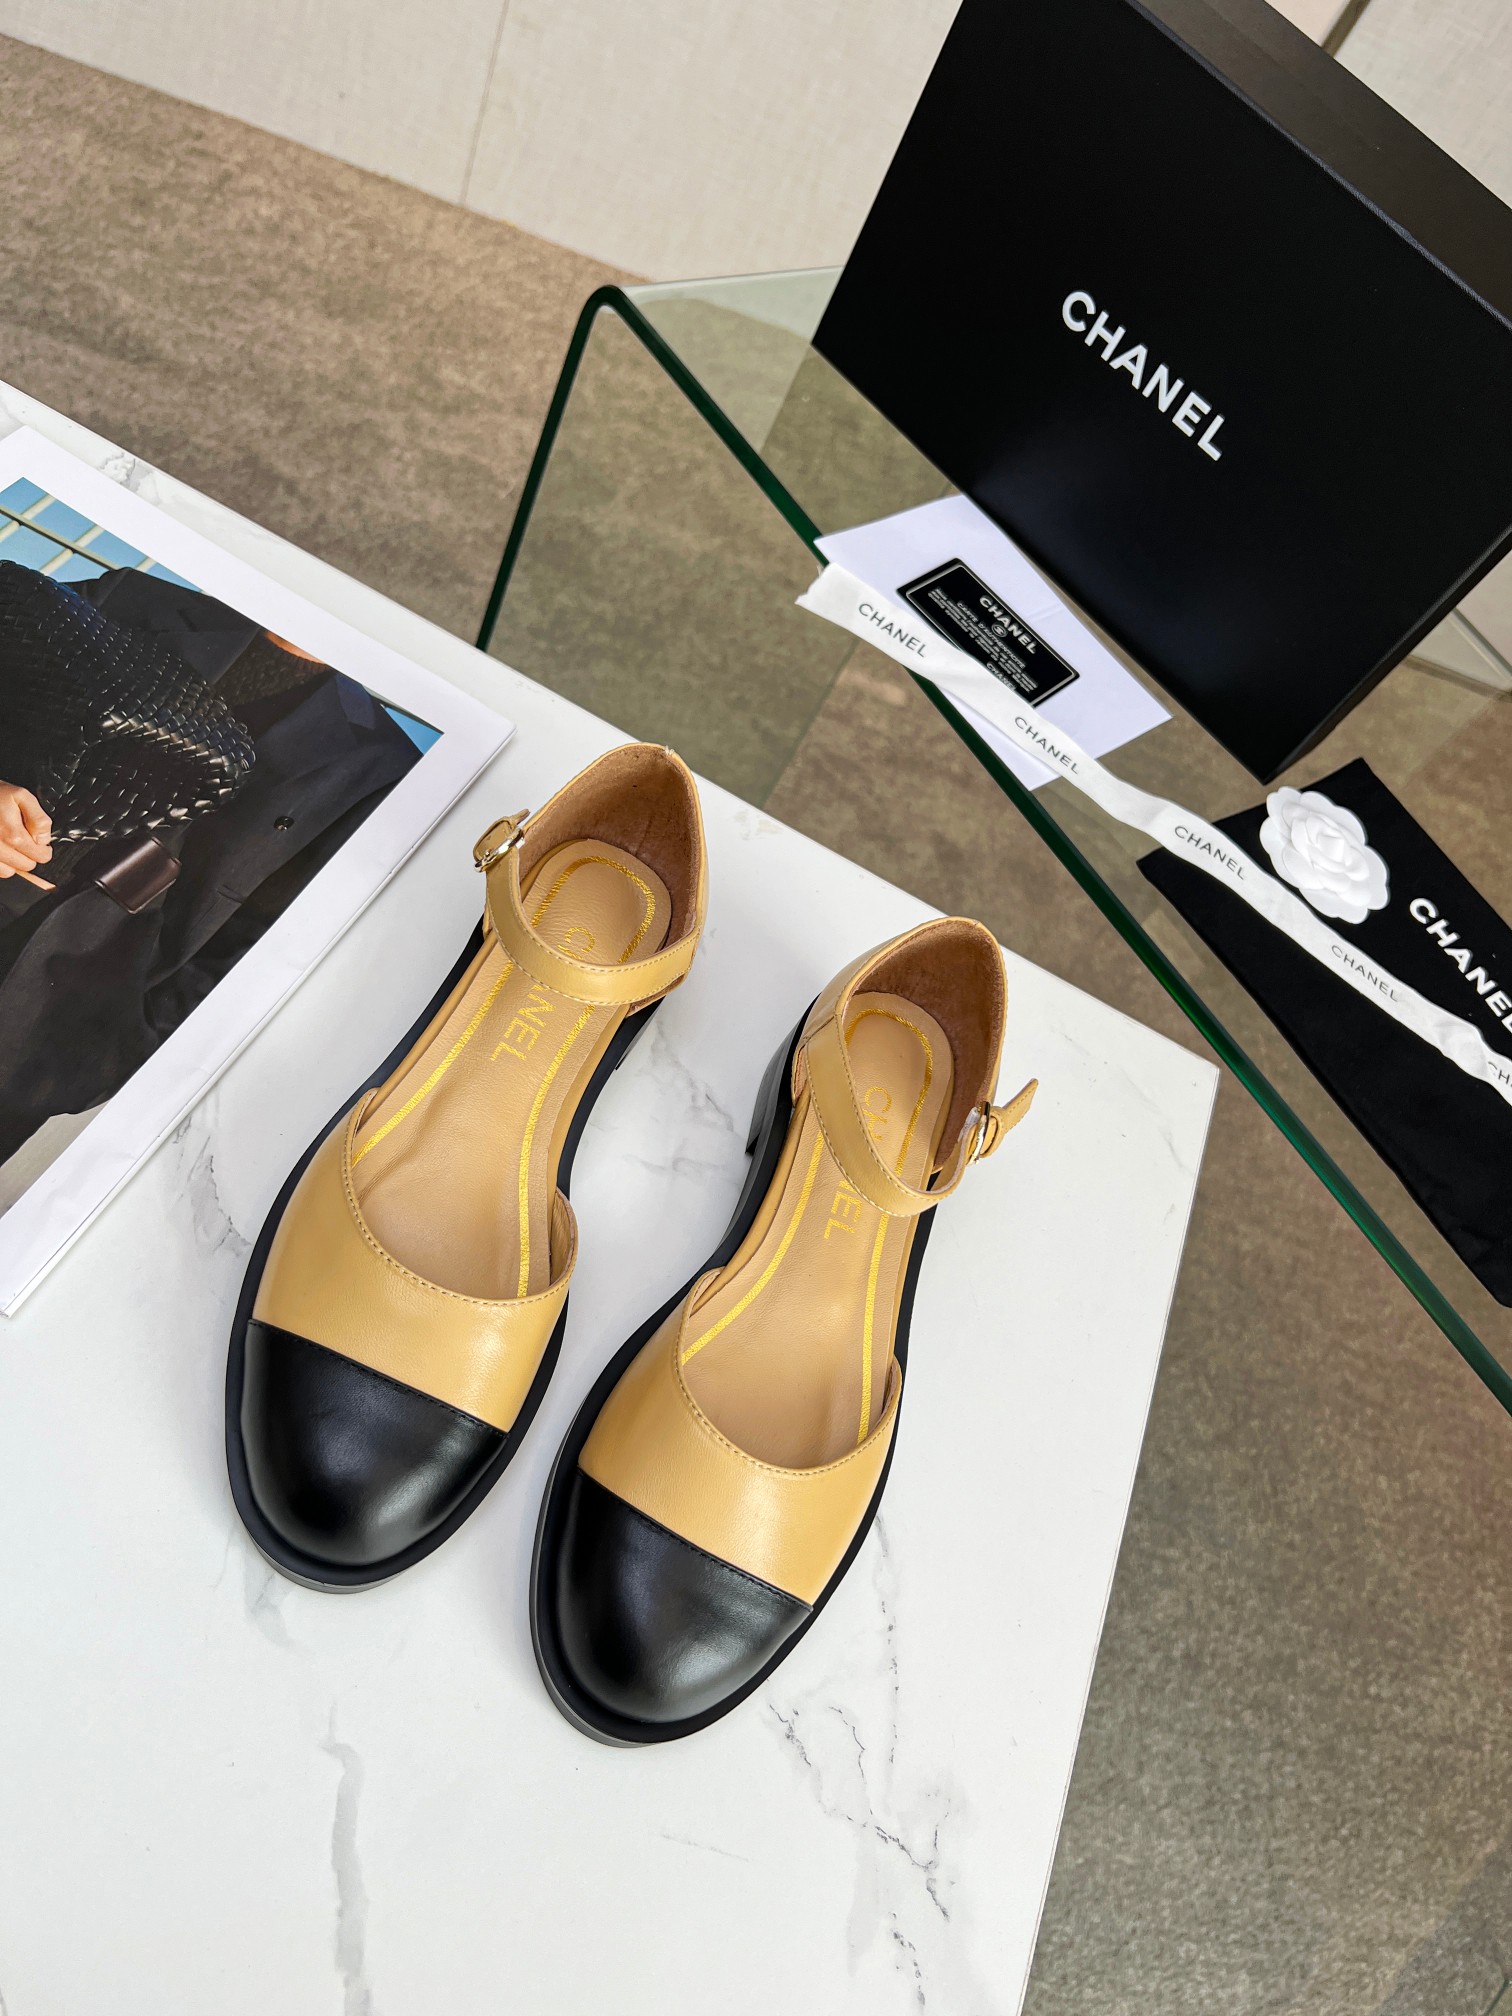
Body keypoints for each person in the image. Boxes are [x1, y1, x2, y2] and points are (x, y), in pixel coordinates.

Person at [0, 563, 422, 1169]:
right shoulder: (131, 597)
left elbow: (266, 943)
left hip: (52, 1017)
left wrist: (120, 1050)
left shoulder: (380, 766)